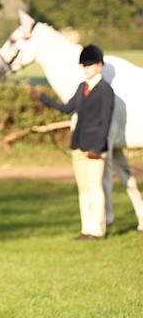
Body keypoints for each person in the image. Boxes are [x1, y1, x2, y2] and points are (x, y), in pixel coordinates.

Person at [30, 45, 115, 240]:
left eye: (90, 64)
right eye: (84, 65)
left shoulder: (105, 91)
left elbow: (105, 122)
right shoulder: (81, 88)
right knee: (83, 189)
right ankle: (87, 228)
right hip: (78, 144)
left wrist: (97, 147)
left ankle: (98, 229)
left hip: (94, 148)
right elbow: (67, 108)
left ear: (99, 66)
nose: (86, 68)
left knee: (95, 187)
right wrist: (43, 98)